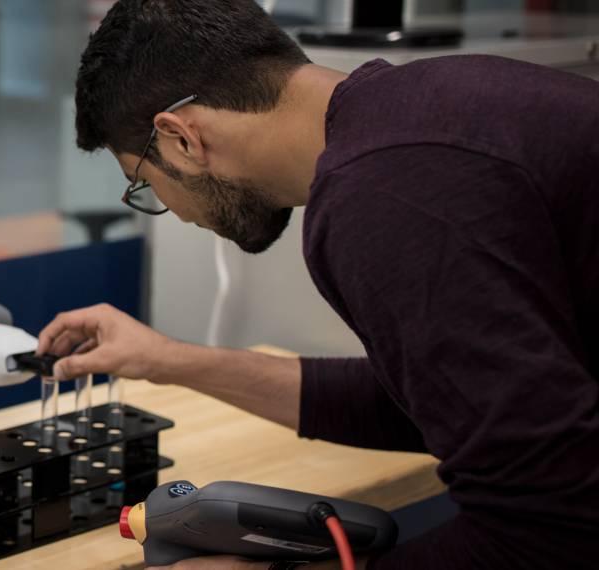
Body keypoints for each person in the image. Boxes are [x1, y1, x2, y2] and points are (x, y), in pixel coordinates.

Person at [43, 0, 599, 568]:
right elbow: (433, 405)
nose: (175, 213)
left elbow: (551, 532)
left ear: (180, 138)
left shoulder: (382, 194)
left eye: (143, 182)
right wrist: (167, 360)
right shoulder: (430, 109)